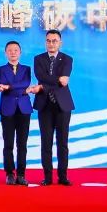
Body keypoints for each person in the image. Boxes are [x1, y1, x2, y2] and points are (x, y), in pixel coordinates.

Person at [29, 29, 75, 186]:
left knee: (62, 143)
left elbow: (64, 82)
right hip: (45, 105)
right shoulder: (38, 59)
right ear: (45, 42)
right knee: (46, 142)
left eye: (54, 41)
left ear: (60, 43)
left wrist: (43, 86)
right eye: (48, 41)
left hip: (63, 105)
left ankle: (63, 176)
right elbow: (42, 77)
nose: (51, 44)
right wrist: (53, 81)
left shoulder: (67, 59)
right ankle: (47, 177)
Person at [0, 40, 33, 186]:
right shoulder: (0, 69)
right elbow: (4, 83)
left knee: (22, 143)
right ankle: (10, 173)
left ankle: (21, 174)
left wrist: (10, 87)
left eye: (15, 50)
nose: (13, 53)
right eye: (10, 50)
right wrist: (22, 90)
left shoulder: (27, 69)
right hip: (7, 108)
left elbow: (25, 83)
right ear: (5, 53)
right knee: (8, 143)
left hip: (24, 108)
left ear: (20, 52)